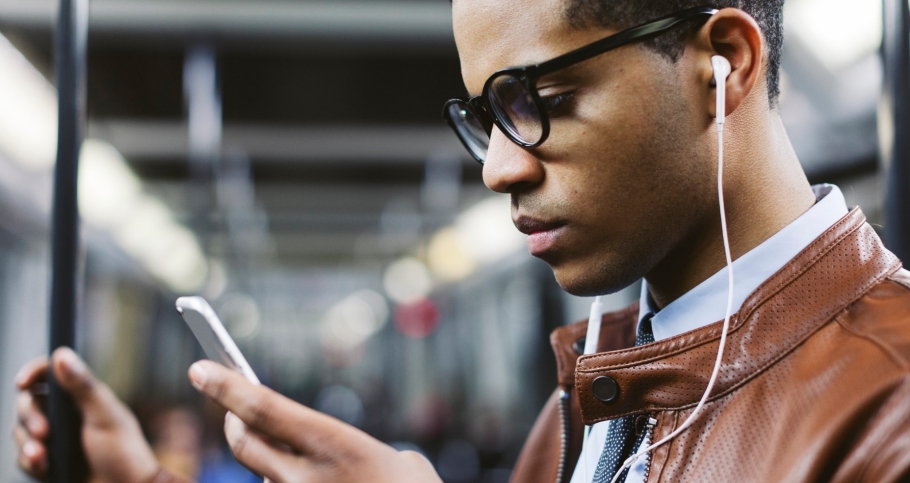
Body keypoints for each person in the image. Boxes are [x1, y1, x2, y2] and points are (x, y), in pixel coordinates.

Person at [14, 0, 910, 481]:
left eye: (540, 105)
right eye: (488, 117)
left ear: (725, 66)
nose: (497, 170)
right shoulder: (612, 377)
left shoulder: (889, 419)